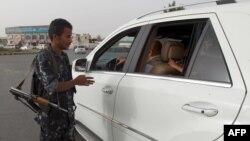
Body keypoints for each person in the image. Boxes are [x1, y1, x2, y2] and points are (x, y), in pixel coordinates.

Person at [35, 18, 94, 141]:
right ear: (56, 37)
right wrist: (76, 81)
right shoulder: (43, 56)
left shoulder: (64, 56)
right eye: (68, 36)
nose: (70, 40)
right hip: (52, 121)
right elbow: (53, 86)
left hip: (67, 118)